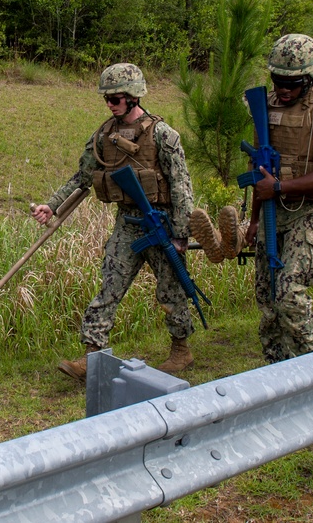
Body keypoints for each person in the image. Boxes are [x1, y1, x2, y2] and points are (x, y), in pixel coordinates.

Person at [32, 63, 197, 382]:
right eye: (107, 98)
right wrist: (51, 206)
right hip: (128, 222)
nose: (110, 104)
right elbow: (82, 177)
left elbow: (181, 186)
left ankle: (181, 349)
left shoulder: (163, 134)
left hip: (160, 224)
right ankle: (92, 357)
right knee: (110, 284)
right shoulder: (103, 136)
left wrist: (180, 233)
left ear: (134, 97)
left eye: (116, 98)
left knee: (171, 291)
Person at [245, 34, 313, 363]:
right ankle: (276, 371)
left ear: (310, 78)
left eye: (292, 83)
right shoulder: (268, 107)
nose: (283, 89)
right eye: (278, 80)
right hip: (274, 211)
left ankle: (310, 369)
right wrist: (253, 218)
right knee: (268, 297)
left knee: (290, 291)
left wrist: (279, 189)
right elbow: (260, 170)